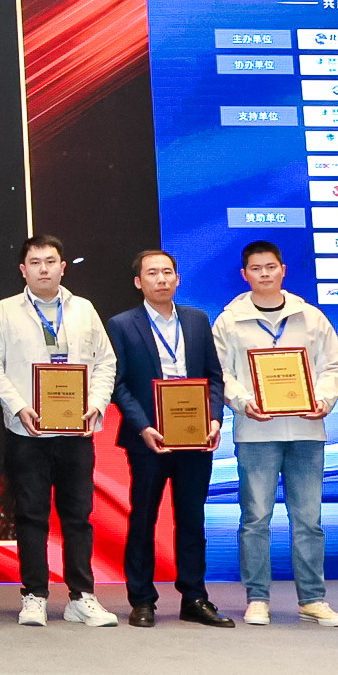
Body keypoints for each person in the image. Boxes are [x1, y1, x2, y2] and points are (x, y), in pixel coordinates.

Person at [0, 234, 119, 628]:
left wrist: (96, 404)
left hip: (77, 433)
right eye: (35, 262)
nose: (44, 269)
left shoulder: (84, 310)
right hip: (27, 433)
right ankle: (34, 595)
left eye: (50, 261)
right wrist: (18, 406)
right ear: (23, 270)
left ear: (63, 267)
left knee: (78, 517)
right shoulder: (4, 312)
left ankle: (81, 597)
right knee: (30, 515)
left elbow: (106, 362)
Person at [211, 239, 338, 627]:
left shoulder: (311, 317)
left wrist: (323, 399)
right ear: (245, 274)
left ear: (283, 270)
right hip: (256, 431)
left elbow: (334, 366)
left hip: (306, 429)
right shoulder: (229, 321)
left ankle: (313, 599)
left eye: (271, 267)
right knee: (255, 518)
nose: (265, 274)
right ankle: (257, 597)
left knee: (309, 520)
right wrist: (243, 401)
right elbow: (220, 372)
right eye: (256, 269)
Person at [106, 248, 233, 629]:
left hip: (195, 437)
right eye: (152, 273)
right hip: (148, 438)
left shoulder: (197, 320)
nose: (161, 279)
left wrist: (214, 418)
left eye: (167, 272)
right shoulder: (121, 324)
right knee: (143, 518)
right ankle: (142, 599)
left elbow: (213, 376)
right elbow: (118, 383)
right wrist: (143, 426)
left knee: (192, 519)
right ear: (138, 282)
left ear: (178, 278)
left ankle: (195, 597)